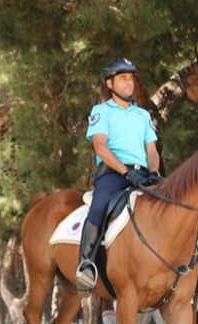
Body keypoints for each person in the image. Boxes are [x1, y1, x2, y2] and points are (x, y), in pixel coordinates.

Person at [74, 57, 161, 295]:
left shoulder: (142, 115)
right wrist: (126, 172)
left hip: (142, 174)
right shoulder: (101, 111)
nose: (129, 83)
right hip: (113, 174)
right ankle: (86, 264)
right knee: (100, 204)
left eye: (131, 78)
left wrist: (154, 173)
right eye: (123, 78)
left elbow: (152, 150)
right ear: (110, 84)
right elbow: (100, 147)